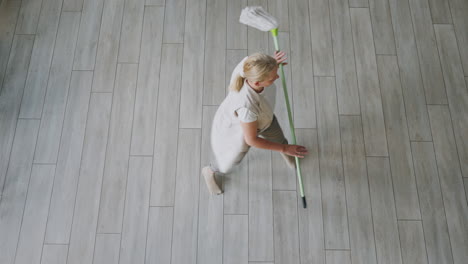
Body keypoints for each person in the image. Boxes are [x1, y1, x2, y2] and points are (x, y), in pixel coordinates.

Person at [202, 51, 309, 194]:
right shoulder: (247, 107)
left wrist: (271, 63)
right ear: (258, 82)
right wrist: (284, 148)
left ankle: (287, 152)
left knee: (279, 139)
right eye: (272, 78)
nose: (277, 77)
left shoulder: (248, 67)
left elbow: (258, 63)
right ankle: (210, 171)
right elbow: (251, 140)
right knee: (230, 161)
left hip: (264, 118)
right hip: (238, 132)